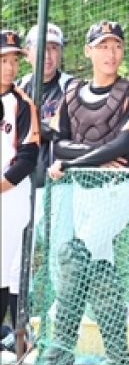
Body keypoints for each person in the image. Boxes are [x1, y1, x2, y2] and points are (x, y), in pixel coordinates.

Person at [42, 20, 129, 365]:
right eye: (102, 46)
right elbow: (58, 143)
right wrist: (90, 156)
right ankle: (119, 356)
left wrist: (73, 160)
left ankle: (59, 352)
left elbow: (123, 145)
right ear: (88, 51)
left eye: (116, 45)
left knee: (75, 258)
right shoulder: (72, 92)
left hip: (115, 192)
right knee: (100, 268)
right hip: (83, 194)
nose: (110, 53)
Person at [9, 23, 74, 331]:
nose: (47, 56)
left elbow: (65, 133)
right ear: (27, 53)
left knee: (60, 257)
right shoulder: (17, 88)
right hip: (21, 186)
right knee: (15, 260)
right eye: (41, 49)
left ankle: (59, 334)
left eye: (54, 49)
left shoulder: (72, 88)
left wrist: (38, 127)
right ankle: (19, 331)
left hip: (59, 186)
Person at [1, 30, 40, 330]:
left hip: (9, 196)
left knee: (2, 271)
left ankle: (16, 338)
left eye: (15, 60)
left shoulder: (22, 104)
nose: (10, 67)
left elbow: (27, 158)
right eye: (3, 60)